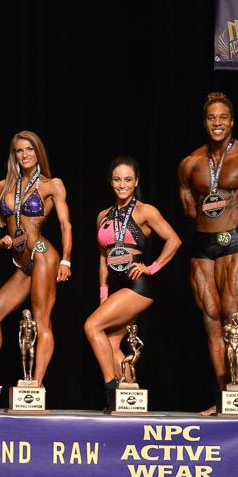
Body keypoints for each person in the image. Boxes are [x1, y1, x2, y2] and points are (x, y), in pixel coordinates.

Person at [177, 92, 238, 415]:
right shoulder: (190, 164)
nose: (217, 123)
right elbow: (189, 209)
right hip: (202, 247)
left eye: (222, 118)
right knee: (211, 320)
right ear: (205, 123)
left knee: (233, 318)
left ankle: (235, 393)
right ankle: (221, 397)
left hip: (236, 242)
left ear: (231, 121)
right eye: (211, 118)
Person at [0, 131, 72, 410]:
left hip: (43, 255)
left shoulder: (52, 185)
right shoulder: (4, 186)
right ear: (13, 155)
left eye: (30, 149)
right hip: (23, 265)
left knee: (41, 321)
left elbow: (66, 224)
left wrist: (66, 260)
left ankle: (35, 387)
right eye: (19, 150)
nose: (25, 155)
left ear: (38, 153)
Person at [84, 156, 181, 399]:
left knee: (92, 326)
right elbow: (103, 259)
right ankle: (130, 398)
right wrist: (103, 293)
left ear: (136, 181)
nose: (122, 185)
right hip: (117, 287)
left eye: (128, 180)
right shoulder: (103, 216)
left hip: (138, 287)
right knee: (110, 343)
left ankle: (111, 386)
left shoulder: (145, 211)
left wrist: (152, 267)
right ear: (111, 182)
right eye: (117, 180)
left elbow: (174, 240)